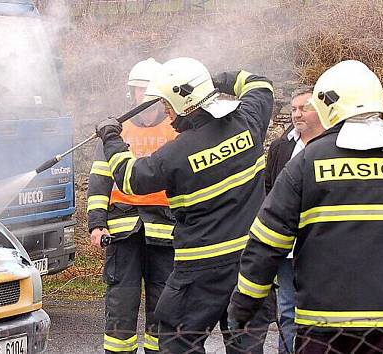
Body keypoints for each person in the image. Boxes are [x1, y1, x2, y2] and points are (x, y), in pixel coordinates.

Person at [228, 60, 383, 354]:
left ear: (326, 104)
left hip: (325, 330)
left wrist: (244, 304)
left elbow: (267, 239)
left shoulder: (307, 162)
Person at [94, 57, 275, 354]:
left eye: (167, 105)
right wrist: (212, 81)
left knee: (178, 341)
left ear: (183, 101)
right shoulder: (249, 120)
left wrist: (112, 137)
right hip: (250, 263)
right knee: (246, 346)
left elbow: (130, 178)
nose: (166, 112)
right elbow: (259, 83)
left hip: (200, 270)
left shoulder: (177, 154)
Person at [87, 58, 177, 354]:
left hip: (166, 232)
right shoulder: (116, 131)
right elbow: (100, 181)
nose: (143, 97)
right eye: (138, 90)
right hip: (123, 232)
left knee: (164, 303)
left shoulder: (177, 130)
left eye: (148, 90)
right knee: (120, 304)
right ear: (132, 93)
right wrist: (97, 224)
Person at [263, 85, 324, 353]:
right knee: (287, 311)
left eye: (304, 108)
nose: (297, 114)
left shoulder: (335, 146)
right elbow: (268, 189)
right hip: (288, 247)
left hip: (324, 247)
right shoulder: (280, 147)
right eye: (294, 109)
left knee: (322, 310)